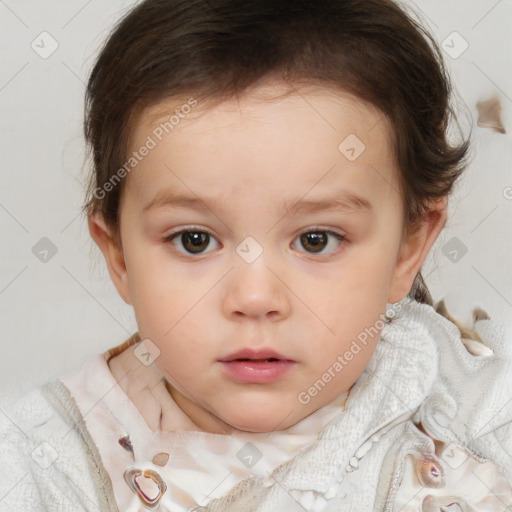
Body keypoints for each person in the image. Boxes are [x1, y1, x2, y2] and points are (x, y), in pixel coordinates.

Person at [1, 0, 511, 510]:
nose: (255, 298)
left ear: (408, 249)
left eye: (316, 240)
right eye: (194, 240)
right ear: (120, 257)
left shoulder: (474, 425)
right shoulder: (44, 468)